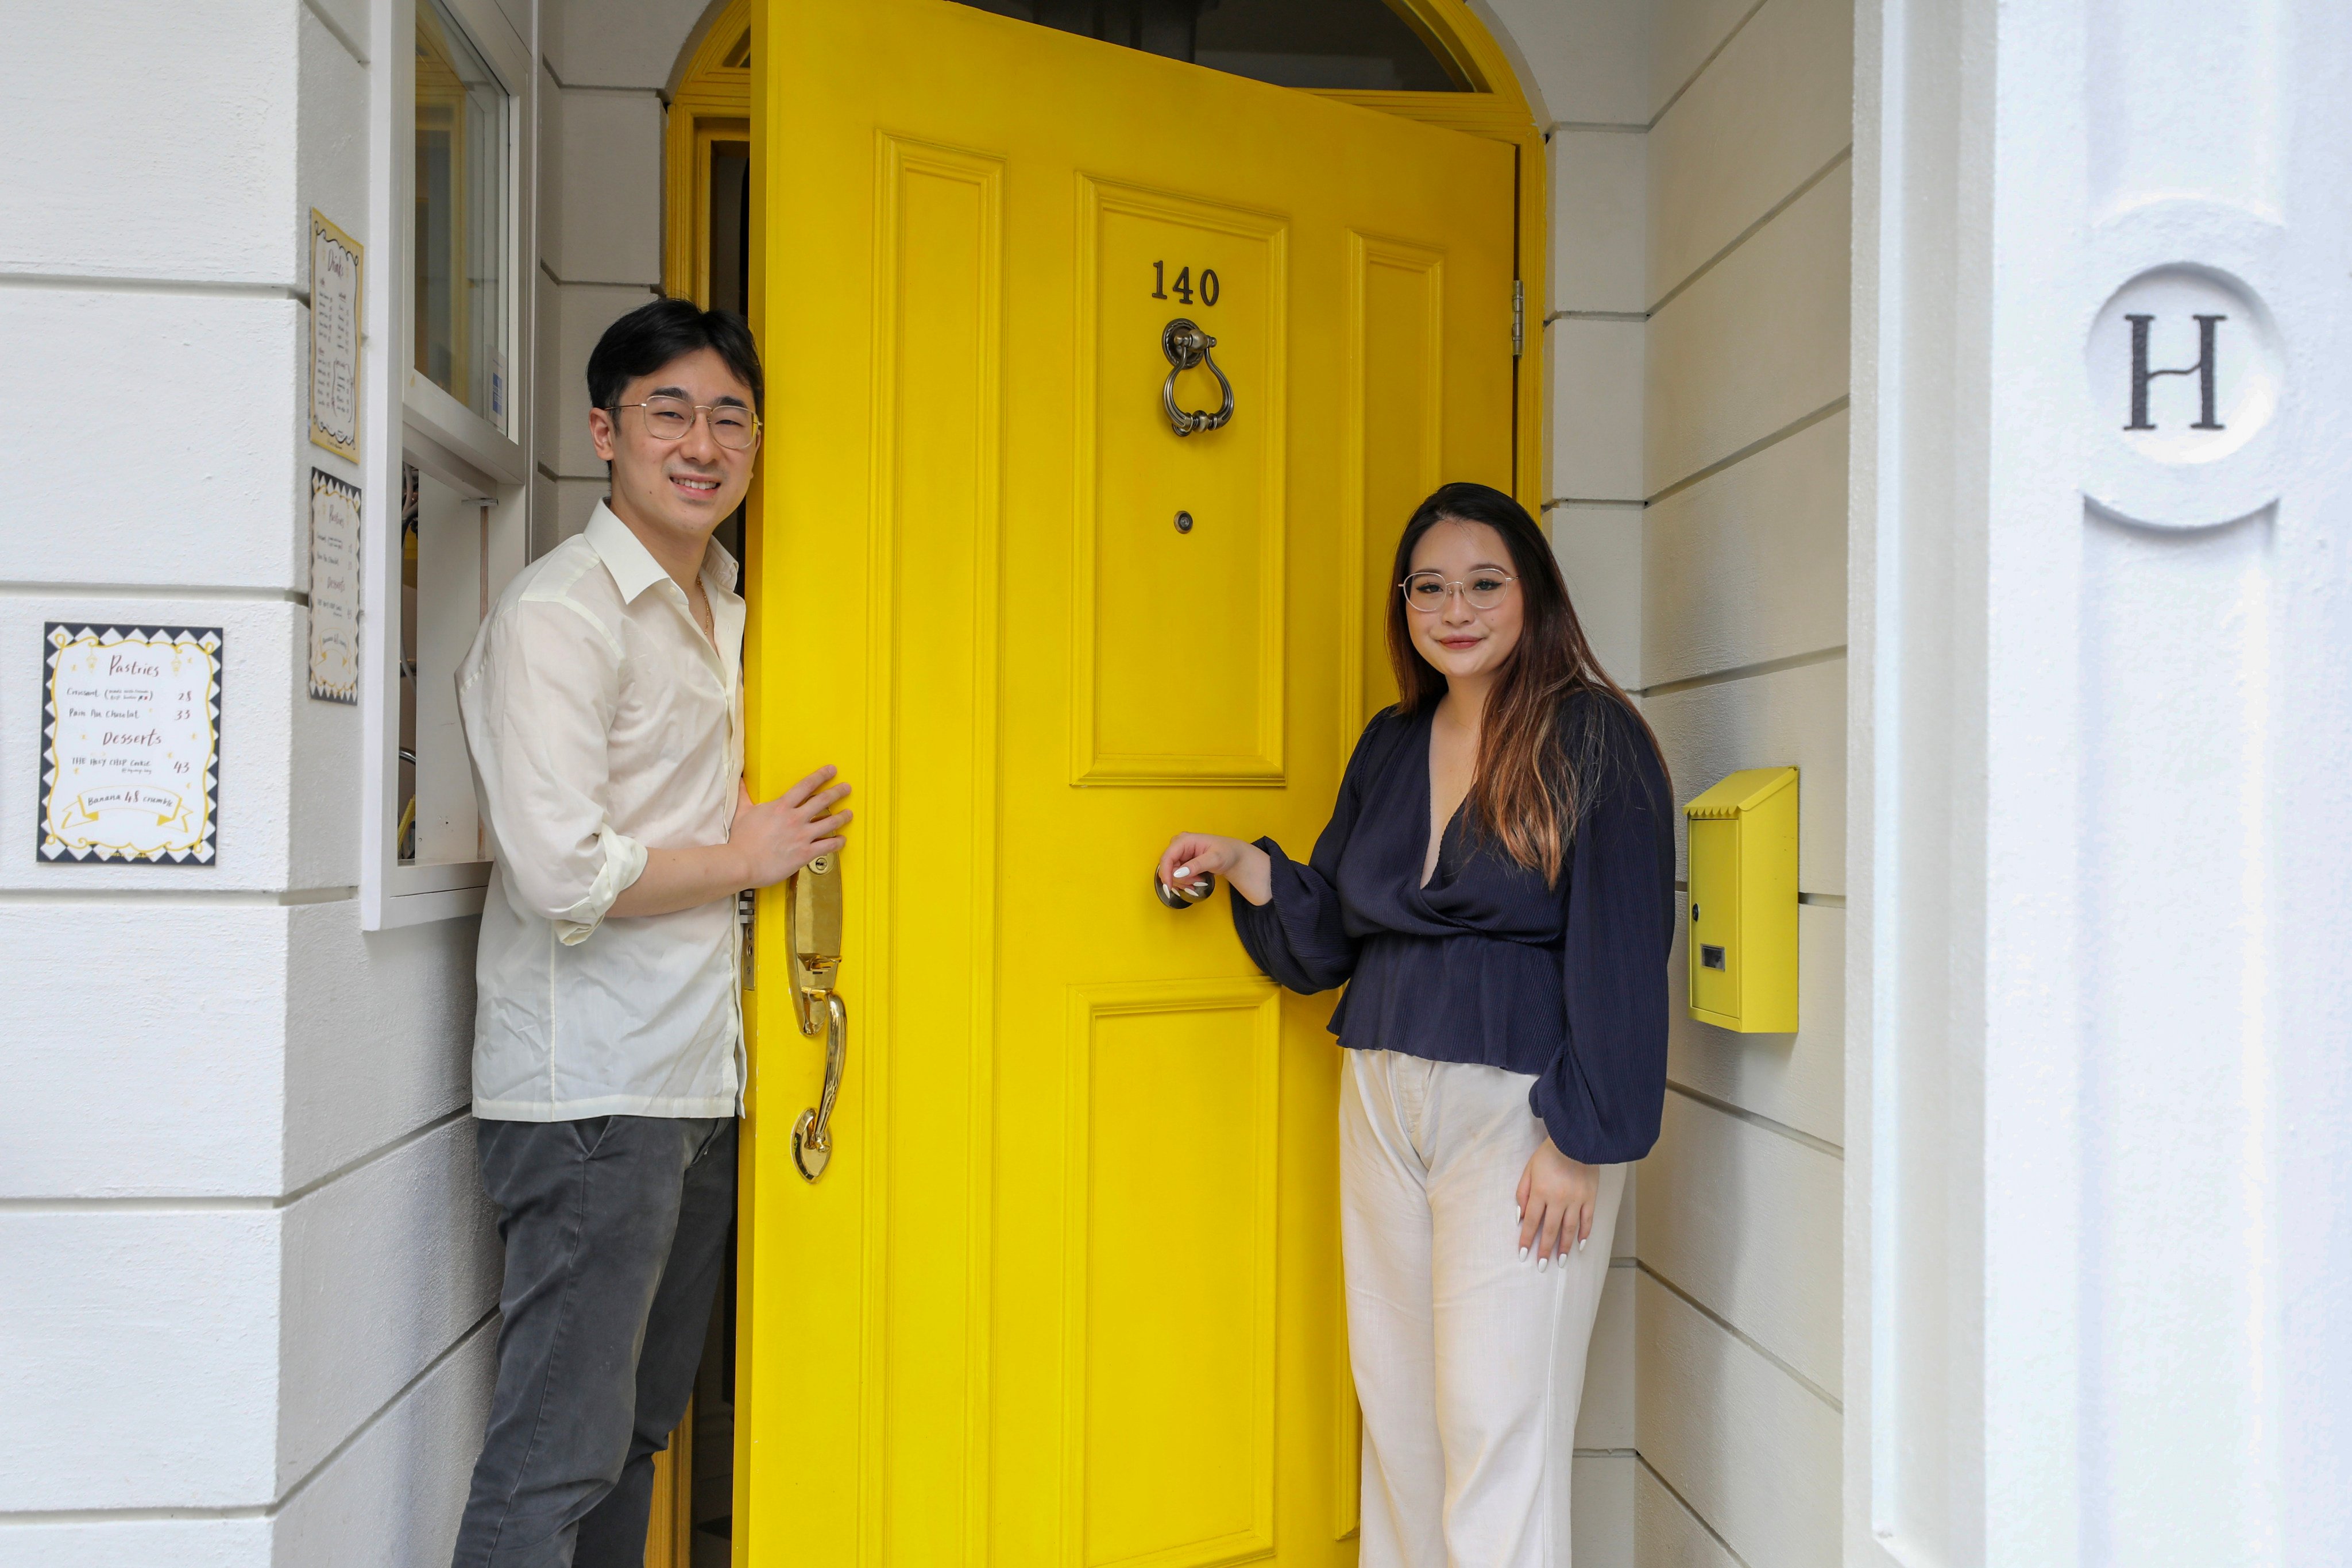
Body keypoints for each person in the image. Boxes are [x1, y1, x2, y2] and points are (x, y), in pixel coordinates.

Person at [1154, 482, 1673, 1567]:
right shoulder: (1394, 741)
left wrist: (1581, 1141)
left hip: (1522, 1110)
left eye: (1485, 582)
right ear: (1405, 605)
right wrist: (1248, 865)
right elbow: (1338, 931)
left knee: (1497, 1422)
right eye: (1430, 586)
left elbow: (1625, 955)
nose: (1457, 608)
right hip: (1384, 1093)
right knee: (1398, 1418)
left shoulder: (1596, 738)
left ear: (1532, 591)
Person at [449, 298, 851, 1567]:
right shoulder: (561, 617)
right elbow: (558, 867)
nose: (702, 441)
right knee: (552, 1459)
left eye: (730, 416)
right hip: (587, 1100)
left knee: (630, 1440)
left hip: (689, 1082)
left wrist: (727, 825)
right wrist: (745, 857)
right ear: (603, 431)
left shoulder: (713, 602)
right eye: (668, 411)